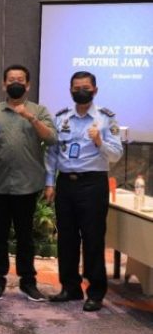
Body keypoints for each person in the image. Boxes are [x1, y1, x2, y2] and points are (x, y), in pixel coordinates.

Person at [45, 71, 122, 312]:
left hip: (93, 184)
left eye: (85, 87)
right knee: (66, 237)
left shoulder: (106, 119)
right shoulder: (61, 118)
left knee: (93, 238)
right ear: (70, 90)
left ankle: (95, 292)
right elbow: (52, 153)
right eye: (76, 87)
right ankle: (70, 288)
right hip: (66, 183)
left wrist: (100, 141)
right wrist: (50, 182)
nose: (81, 91)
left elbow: (116, 155)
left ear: (95, 90)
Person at [0, 65, 56, 302]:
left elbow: (51, 138)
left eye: (20, 80)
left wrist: (31, 118)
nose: (16, 83)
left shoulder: (39, 110)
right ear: (4, 85)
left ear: (28, 85)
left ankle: (28, 282)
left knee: (26, 236)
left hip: (28, 185)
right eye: (11, 80)